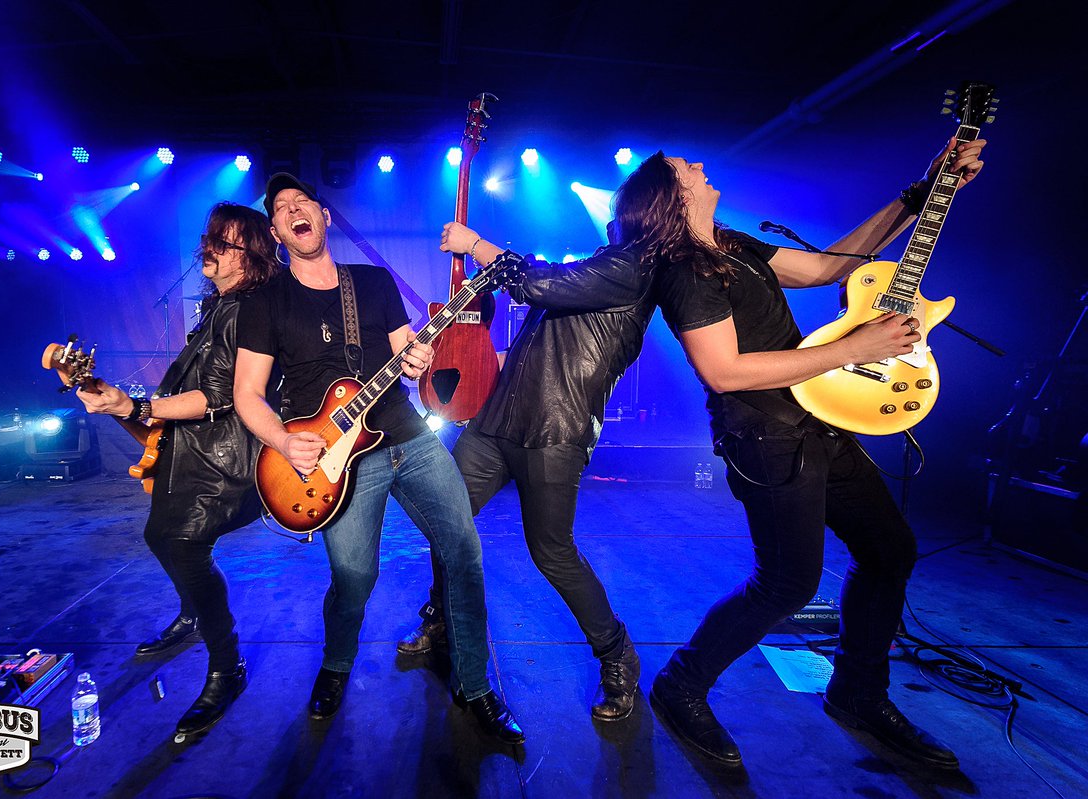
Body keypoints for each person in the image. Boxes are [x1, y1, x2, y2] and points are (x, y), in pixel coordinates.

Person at [645, 138, 986, 768]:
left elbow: (829, 268)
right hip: (766, 435)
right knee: (788, 583)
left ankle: (858, 692)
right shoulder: (686, 269)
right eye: (685, 167)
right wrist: (854, 350)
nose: (699, 164)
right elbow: (724, 372)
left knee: (890, 550)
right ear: (671, 195)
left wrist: (922, 192)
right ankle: (681, 684)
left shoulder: (734, 243)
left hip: (820, 415)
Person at [232, 172, 524, 744]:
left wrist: (417, 360)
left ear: (322, 216)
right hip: (333, 460)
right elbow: (247, 393)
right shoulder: (266, 301)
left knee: (463, 549)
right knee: (354, 575)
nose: (296, 209)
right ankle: (337, 664)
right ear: (277, 231)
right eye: (283, 207)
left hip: (405, 436)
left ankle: (475, 683)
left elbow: (406, 354)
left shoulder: (370, 281)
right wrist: (285, 441)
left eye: (304, 201)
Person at [397, 156, 673, 722]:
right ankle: (442, 621)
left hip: (554, 432)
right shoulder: (608, 258)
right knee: (446, 521)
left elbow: (541, 282)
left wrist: (477, 244)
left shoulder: (637, 268)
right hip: (498, 420)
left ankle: (616, 654)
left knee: (552, 551)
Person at [76, 202, 279, 739]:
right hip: (192, 450)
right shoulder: (219, 307)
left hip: (226, 457)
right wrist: (123, 402)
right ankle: (192, 611)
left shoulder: (244, 310)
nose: (209, 247)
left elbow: (215, 397)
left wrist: (138, 406)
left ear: (253, 256)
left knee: (179, 541)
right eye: (210, 236)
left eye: (225, 241)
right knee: (166, 536)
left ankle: (226, 664)